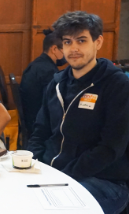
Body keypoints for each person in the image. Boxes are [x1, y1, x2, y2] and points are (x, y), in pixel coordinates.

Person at [27, 11, 129, 214]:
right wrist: (33, 163)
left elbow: (109, 149)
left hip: (104, 180)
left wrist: (63, 176)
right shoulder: (56, 83)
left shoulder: (117, 85)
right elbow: (40, 131)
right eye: (67, 42)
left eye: (81, 41)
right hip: (53, 173)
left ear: (98, 42)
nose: (73, 49)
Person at [19, 28, 67, 137]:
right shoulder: (48, 70)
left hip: (31, 119)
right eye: (64, 49)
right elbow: (54, 103)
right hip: (38, 124)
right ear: (54, 49)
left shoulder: (38, 64)